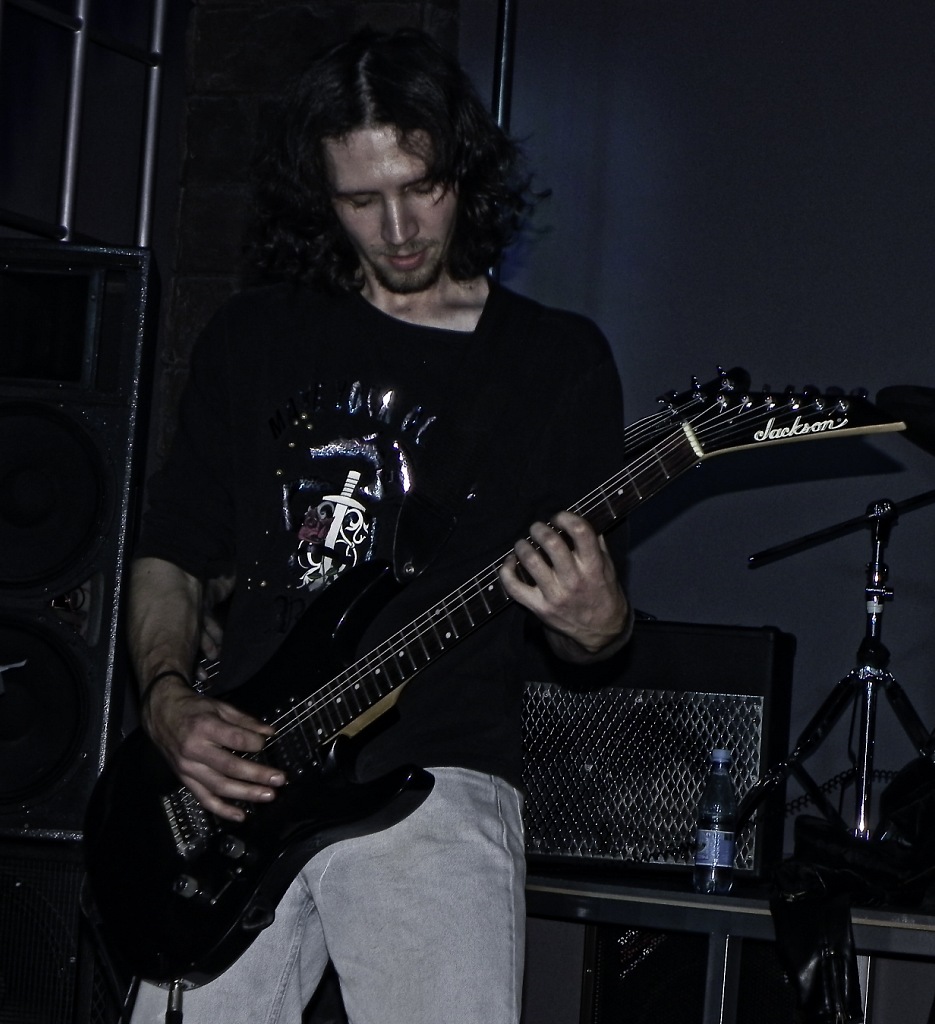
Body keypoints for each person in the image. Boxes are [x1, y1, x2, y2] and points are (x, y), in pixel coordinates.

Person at [128, 26, 631, 1024]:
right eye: (361, 200)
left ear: (465, 172)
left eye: (421, 187)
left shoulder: (552, 362)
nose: (398, 228)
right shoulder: (252, 338)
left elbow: (592, 635)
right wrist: (167, 701)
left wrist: (597, 621)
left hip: (433, 778)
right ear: (319, 198)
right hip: (239, 781)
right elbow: (173, 553)